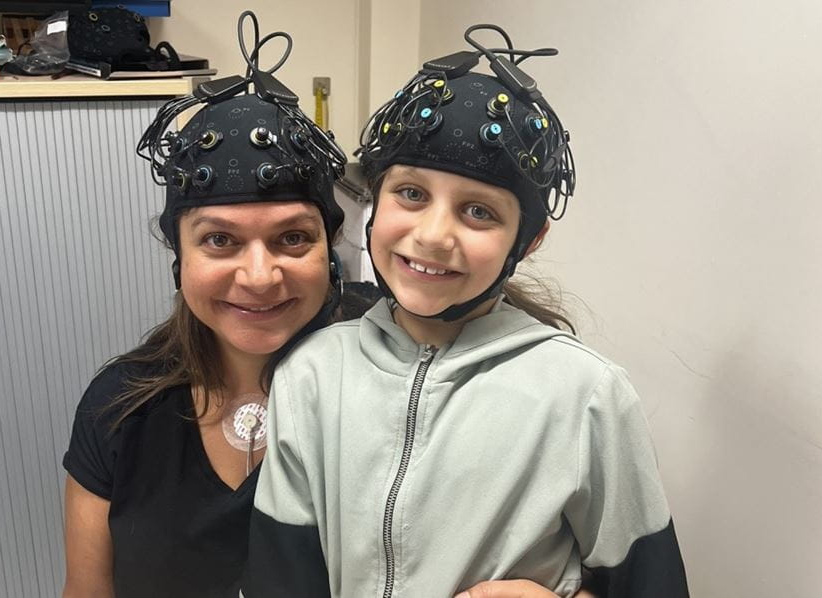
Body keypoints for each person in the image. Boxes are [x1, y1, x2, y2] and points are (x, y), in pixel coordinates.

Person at [241, 24, 689, 598]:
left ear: (527, 240)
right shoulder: (311, 375)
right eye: (411, 193)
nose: (433, 235)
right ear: (373, 200)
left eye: (479, 211)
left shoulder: (588, 398)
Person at [60, 12, 354, 597]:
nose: (259, 276)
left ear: (330, 249)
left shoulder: (389, 392)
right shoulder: (119, 408)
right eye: (220, 240)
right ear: (180, 255)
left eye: (293, 238)